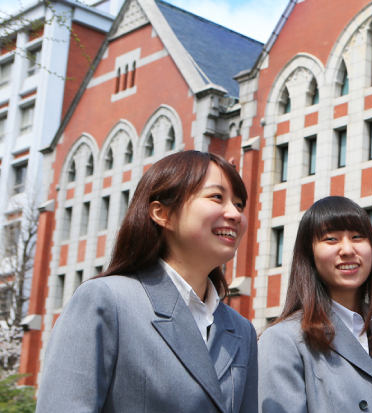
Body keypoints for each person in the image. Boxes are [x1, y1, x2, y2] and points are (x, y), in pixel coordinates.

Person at [36, 151, 257, 412]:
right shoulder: (106, 301)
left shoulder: (242, 330)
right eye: (217, 197)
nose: (235, 214)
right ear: (162, 214)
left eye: (240, 204)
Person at [258, 196, 372, 413]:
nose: (348, 249)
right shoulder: (283, 341)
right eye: (331, 239)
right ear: (309, 254)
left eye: (357, 237)